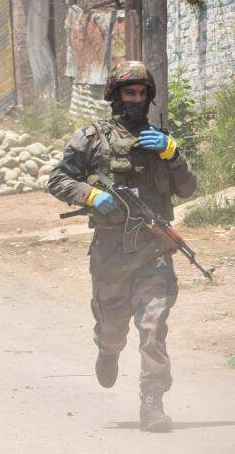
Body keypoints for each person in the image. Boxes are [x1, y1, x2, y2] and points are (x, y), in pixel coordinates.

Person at [48, 61, 197, 433]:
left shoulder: (160, 142)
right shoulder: (91, 138)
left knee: (153, 328)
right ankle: (108, 348)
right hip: (111, 253)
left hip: (154, 251)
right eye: (130, 93)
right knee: (113, 328)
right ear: (115, 96)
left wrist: (173, 154)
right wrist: (90, 195)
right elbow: (57, 179)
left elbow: (188, 189)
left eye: (143, 93)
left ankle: (153, 401)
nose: (137, 99)